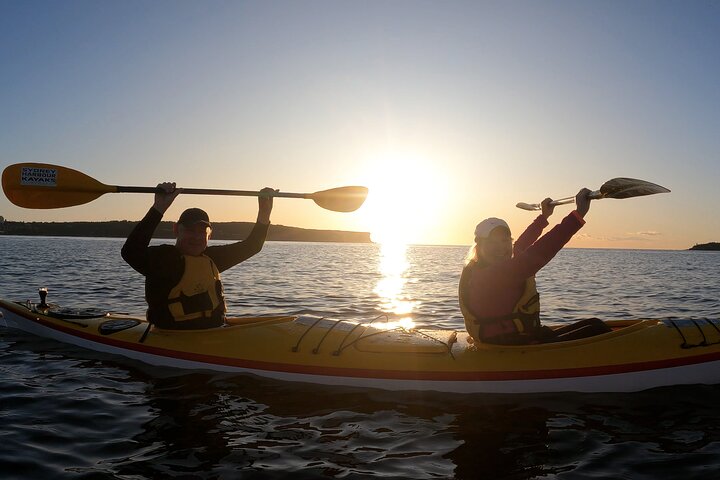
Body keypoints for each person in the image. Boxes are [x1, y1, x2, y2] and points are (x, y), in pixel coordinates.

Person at [459, 188, 611, 345]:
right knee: (597, 330)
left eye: (505, 241)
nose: (501, 248)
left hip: (521, 336)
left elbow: (521, 245)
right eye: (492, 243)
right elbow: (539, 252)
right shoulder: (490, 275)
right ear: (479, 246)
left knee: (595, 323)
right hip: (507, 343)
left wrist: (544, 217)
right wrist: (578, 215)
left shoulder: (491, 266)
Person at [121, 182, 275, 330]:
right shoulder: (163, 259)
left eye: (202, 231)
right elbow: (130, 252)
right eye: (190, 230)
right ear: (176, 230)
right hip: (172, 336)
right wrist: (159, 207)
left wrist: (264, 212)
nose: (196, 237)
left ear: (210, 235)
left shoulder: (212, 258)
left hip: (216, 332)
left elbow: (252, 246)